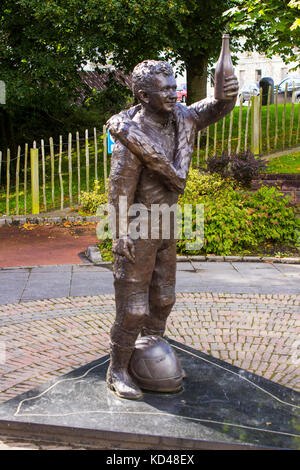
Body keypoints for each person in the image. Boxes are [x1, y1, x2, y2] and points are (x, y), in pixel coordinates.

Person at [106, 60, 238, 400]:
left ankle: (149, 348)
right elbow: (119, 189)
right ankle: (118, 369)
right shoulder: (130, 136)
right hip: (139, 225)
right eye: (164, 89)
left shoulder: (182, 118)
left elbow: (217, 107)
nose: (173, 93)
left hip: (168, 222)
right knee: (133, 307)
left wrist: (226, 94)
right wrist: (119, 233)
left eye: (173, 86)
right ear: (143, 95)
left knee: (163, 298)